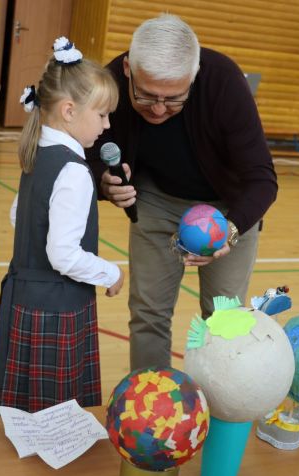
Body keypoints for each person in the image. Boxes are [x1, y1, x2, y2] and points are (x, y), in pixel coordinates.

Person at [85, 14, 277, 370]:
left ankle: (220, 408)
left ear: (194, 75)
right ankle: (152, 407)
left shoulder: (223, 82)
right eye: (146, 96)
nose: (158, 109)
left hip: (226, 209)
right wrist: (102, 181)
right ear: (128, 68)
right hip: (155, 200)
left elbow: (263, 179)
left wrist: (231, 231)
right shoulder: (110, 81)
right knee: (148, 313)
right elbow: (90, 147)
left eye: (174, 99)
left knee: (223, 318)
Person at [0, 37, 123, 415]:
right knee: (51, 415)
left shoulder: (39, 155)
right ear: (70, 111)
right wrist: (110, 272)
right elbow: (62, 254)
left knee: (25, 410)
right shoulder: (74, 170)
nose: (107, 126)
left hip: (24, 299)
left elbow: (18, 216)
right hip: (56, 309)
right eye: (103, 114)